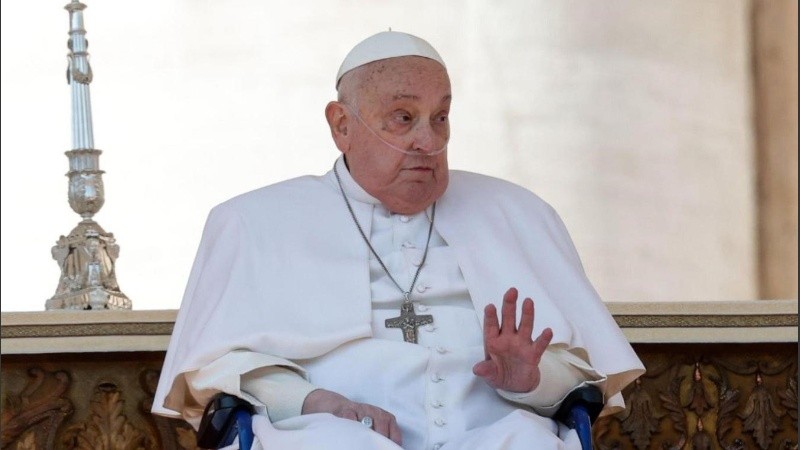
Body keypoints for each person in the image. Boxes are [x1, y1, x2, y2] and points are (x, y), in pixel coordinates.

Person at [153, 31, 644, 449]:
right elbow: (216, 372)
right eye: (403, 118)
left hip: (492, 433)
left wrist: (531, 380)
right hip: (331, 435)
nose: (428, 143)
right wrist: (313, 402)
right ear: (342, 125)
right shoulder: (252, 221)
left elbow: (582, 379)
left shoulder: (518, 213)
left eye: (441, 117)